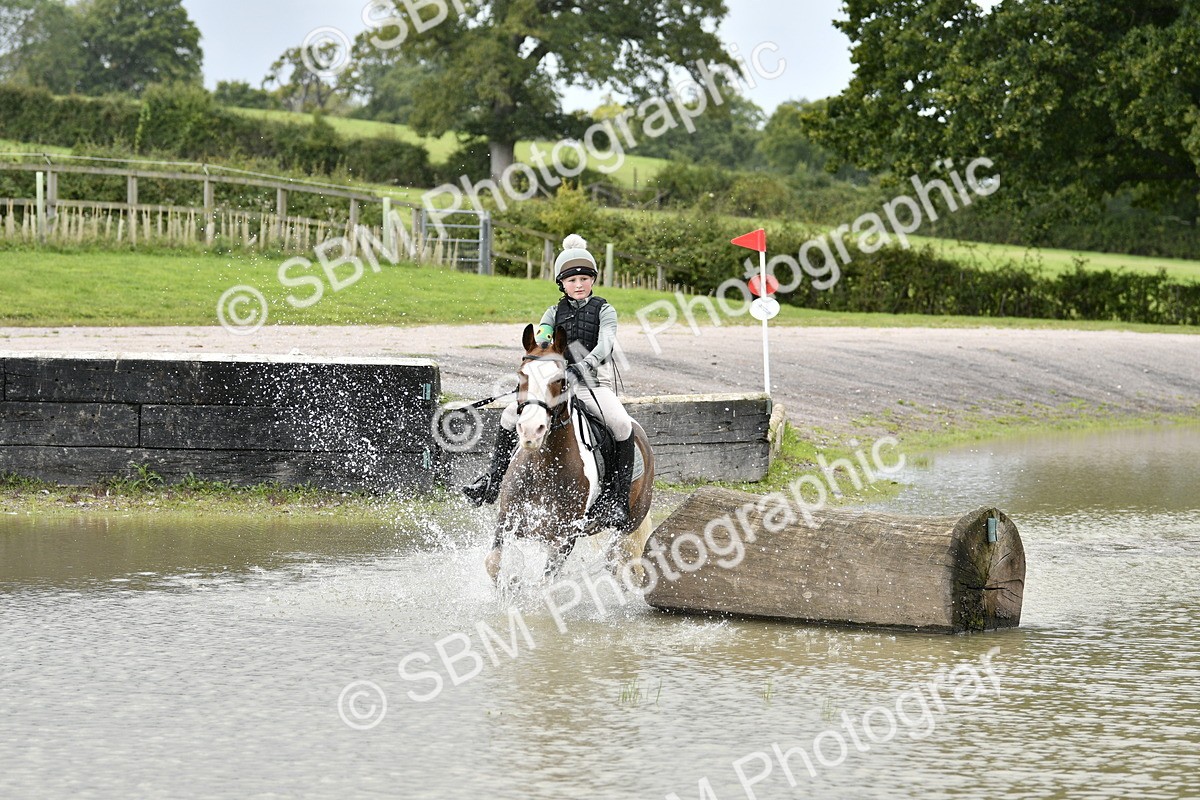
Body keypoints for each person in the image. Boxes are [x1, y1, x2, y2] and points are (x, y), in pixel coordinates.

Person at [462, 233, 636, 529]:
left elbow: (605, 344)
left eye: (584, 278)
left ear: (593, 280)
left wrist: (583, 366)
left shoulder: (605, 310)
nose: (579, 284)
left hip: (594, 383)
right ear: (561, 284)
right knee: (508, 416)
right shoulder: (554, 312)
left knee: (621, 424)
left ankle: (617, 501)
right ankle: (492, 481)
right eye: (572, 280)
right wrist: (542, 343)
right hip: (555, 383)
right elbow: (542, 335)